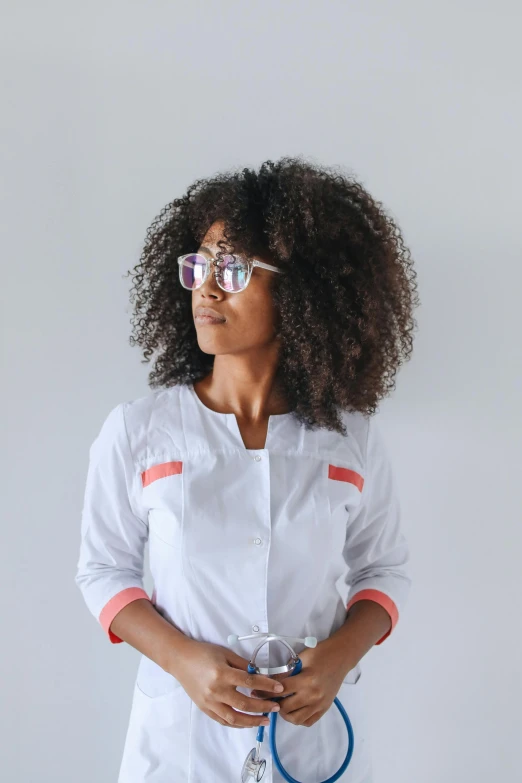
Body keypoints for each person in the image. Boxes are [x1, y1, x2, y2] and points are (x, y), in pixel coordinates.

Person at [75, 156, 419, 783]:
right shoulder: (139, 430)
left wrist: (340, 657)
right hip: (181, 744)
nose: (206, 286)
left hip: (312, 738)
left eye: (231, 268)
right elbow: (103, 570)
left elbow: (384, 570)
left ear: (301, 289)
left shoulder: (352, 439)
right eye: (199, 264)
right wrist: (182, 661)